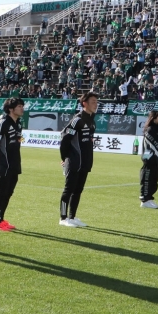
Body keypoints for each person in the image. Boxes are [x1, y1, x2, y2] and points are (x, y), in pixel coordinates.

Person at [59, 91, 98, 227]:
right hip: (74, 161)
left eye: (96, 102)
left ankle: (72, 216)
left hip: (85, 162)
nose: (96, 104)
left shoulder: (92, 120)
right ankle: (63, 218)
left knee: (78, 190)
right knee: (68, 190)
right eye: (93, 102)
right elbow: (65, 138)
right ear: (84, 104)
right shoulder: (77, 120)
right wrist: (65, 158)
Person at [0, 97, 24, 231]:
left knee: (8, 193)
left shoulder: (18, 124)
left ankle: (1, 219)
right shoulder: (2, 123)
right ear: (10, 109)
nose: (22, 109)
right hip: (3, 165)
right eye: (19, 106)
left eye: (22, 106)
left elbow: (18, 141)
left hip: (14, 164)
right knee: (1, 193)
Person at [140, 110, 158, 208]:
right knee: (147, 179)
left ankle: (149, 198)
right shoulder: (150, 129)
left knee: (154, 180)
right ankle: (144, 200)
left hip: (156, 159)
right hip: (149, 158)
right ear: (154, 118)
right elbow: (152, 145)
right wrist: (148, 160)